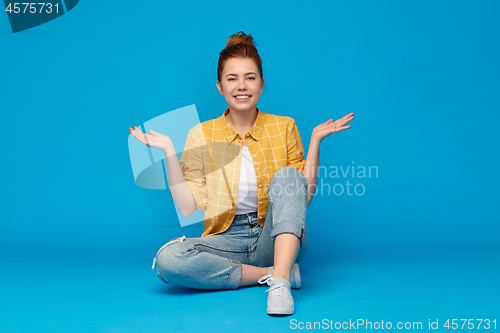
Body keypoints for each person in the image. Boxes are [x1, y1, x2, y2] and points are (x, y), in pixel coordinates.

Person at [129, 31, 354, 315]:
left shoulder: (284, 127)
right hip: (227, 238)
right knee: (169, 259)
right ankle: (271, 273)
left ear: (261, 84)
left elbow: (302, 197)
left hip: (276, 235)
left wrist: (315, 141)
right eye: (232, 79)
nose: (241, 86)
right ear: (220, 87)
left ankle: (280, 284)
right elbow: (187, 209)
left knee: (287, 176)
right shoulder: (202, 134)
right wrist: (169, 153)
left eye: (250, 77)